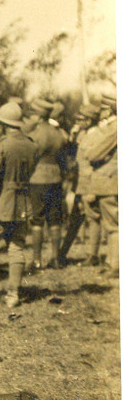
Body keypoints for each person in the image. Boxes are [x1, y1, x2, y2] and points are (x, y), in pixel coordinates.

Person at [0, 101, 38, 308]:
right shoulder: (31, 144)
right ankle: (13, 294)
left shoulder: (2, 144)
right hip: (22, 201)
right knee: (16, 247)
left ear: (4, 123)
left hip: (1, 202)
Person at [26, 99, 71, 269]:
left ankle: (37, 260)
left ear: (37, 115)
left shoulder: (36, 134)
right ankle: (55, 258)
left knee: (37, 220)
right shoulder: (58, 133)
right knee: (55, 219)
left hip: (37, 178)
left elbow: (32, 157)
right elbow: (64, 156)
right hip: (56, 178)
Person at [83, 91, 117, 272]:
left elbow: (93, 154)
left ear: (110, 110)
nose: (101, 113)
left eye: (104, 109)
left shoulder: (114, 128)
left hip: (109, 181)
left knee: (113, 226)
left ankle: (115, 265)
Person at [70, 103, 105, 265]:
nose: (79, 122)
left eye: (82, 119)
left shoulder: (96, 135)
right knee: (90, 217)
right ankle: (93, 253)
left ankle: (93, 254)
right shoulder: (84, 135)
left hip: (90, 181)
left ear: (90, 120)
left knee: (93, 217)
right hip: (83, 181)